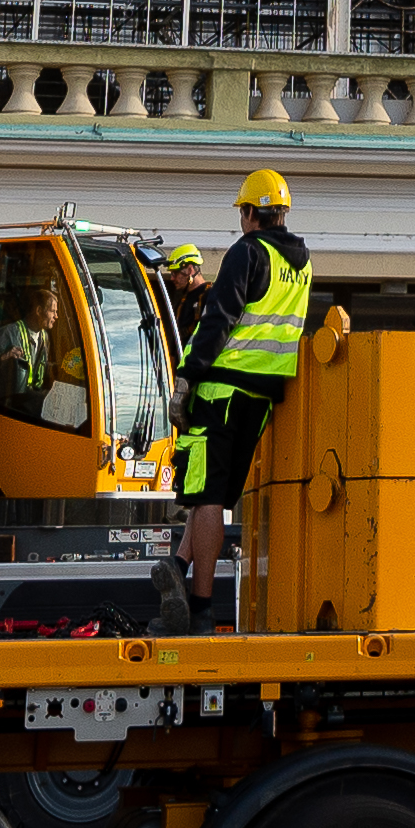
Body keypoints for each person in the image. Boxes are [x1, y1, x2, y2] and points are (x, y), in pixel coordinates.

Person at [166, 169, 324, 626]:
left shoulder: (248, 252)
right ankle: (177, 567)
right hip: (263, 395)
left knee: (207, 493)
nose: (241, 220)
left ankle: (199, 607)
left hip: (222, 389)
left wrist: (187, 377)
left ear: (252, 213)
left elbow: (218, 321)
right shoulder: (302, 263)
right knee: (210, 494)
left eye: (242, 212)